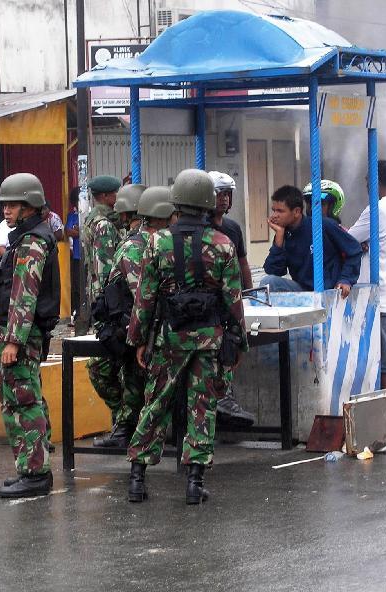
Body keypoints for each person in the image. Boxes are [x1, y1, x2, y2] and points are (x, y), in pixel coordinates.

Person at [125, 169, 248, 505]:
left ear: (176, 201)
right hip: (209, 340)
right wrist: (238, 342)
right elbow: (233, 301)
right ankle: (194, 483)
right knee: (202, 407)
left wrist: (138, 340)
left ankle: (137, 479)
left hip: (168, 338)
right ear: (209, 203)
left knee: (156, 404)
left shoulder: (157, 241)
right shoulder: (223, 244)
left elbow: (145, 298)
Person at [0, 173, 61, 498]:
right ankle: (32, 466)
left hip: (21, 334)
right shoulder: (28, 236)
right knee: (25, 397)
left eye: (14, 204)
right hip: (24, 332)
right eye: (5, 204)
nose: (7, 210)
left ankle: (35, 473)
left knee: (23, 401)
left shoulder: (32, 241)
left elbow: (24, 294)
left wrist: (13, 341)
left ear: (30, 205)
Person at [92, 185, 170, 448]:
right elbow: (141, 296)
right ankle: (127, 424)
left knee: (134, 373)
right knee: (105, 368)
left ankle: (130, 426)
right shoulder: (136, 247)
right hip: (132, 328)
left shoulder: (156, 245)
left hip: (146, 330)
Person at [348, 160, 386, 389]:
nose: (365, 184)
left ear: (374, 181)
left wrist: (356, 241)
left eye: (366, 180)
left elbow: (349, 239)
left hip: (384, 296)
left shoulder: (376, 209)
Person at [208, 171, 255, 427]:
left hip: (231, 304)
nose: (224, 199)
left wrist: (249, 294)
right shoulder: (201, 230)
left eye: (227, 194)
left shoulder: (232, 228)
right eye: (219, 194)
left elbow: (243, 264)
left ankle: (225, 400)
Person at [81, 175, 124, 423]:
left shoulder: (94, 220)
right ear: (107, 196)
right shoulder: (105, 225)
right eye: (115, 194)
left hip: (100, 298)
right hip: (108, 301)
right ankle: (121, 416)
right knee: (106, 364)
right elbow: (106, 267)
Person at [65, 187, 82, 318]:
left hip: (88, 257)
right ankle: (77, 312)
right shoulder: (72, 216)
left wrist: (79, 231)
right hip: (77, 256)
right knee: (77, 286)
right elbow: (69, 231)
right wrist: (79, 231)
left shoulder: (87, 214)